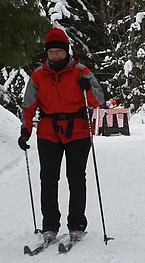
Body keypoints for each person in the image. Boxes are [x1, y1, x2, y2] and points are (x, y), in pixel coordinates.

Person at [18, 27, 103, 244]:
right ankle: (49, 225)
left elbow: (98, 100)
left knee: (75, 178)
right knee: (48, 179)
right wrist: (25, 130)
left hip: (77, 130)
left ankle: (76, 224)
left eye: (59, 51)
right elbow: (29, 105)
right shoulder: (38, 75)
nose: (55, 55)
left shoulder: (81, 71)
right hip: (48, 131)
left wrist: (88, 89)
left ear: (66, 51)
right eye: (51, 52)